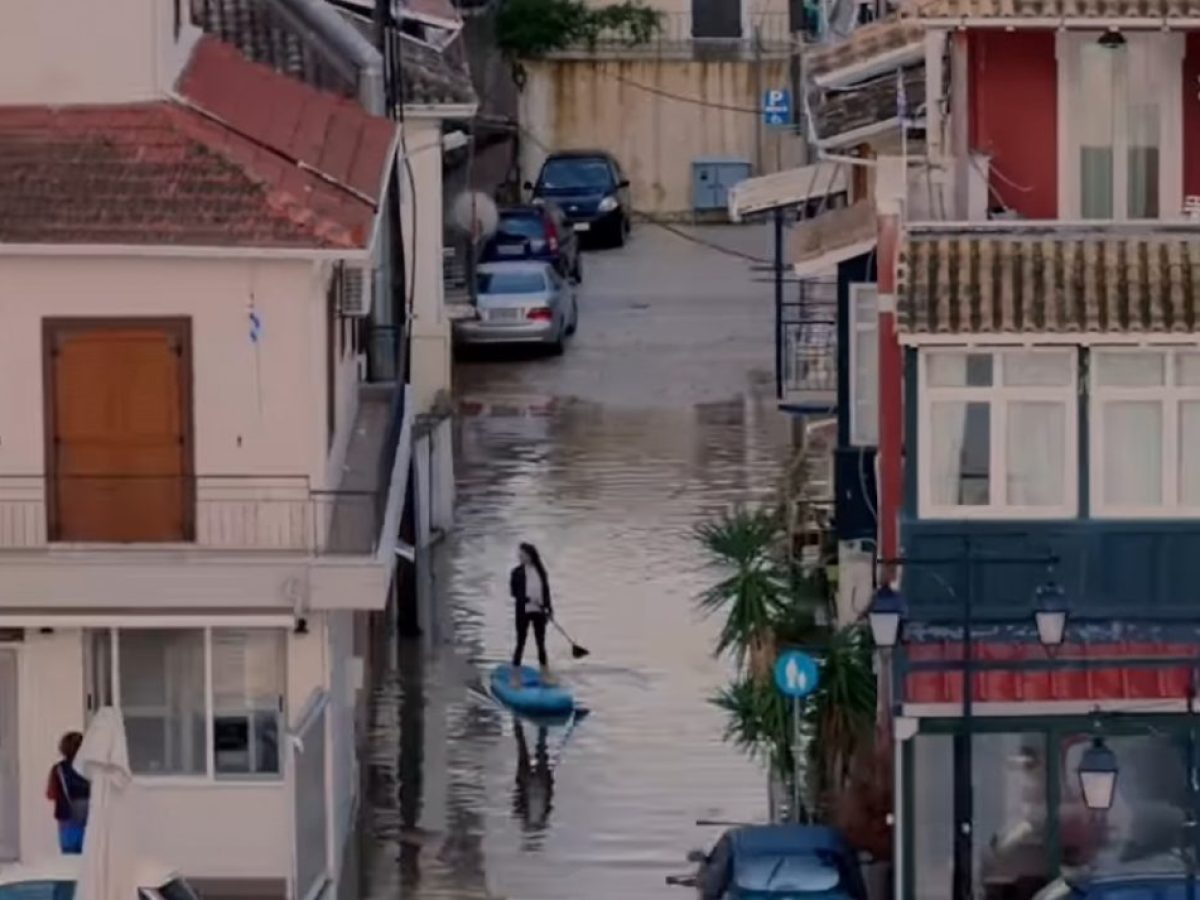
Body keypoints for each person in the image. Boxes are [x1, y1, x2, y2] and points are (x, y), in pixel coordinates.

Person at [509, 542, 553, 681]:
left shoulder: (541, 571)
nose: (520, 557)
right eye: (519, 555)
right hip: (523, 611)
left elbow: (546, 592)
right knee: (520, 642)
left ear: (530, 555)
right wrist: (526, 598)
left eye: (522, 555)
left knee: (541, 643)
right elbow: (514, 593)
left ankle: (545, 674)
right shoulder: (516, 572)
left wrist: (549, 609)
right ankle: (515, 676)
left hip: (539, 612)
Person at [46, 731, 89, 854]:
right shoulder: (92, 769)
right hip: (90, 818)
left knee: (70, 858)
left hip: (66, 817)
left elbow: (50, 794)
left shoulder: (58, 769)